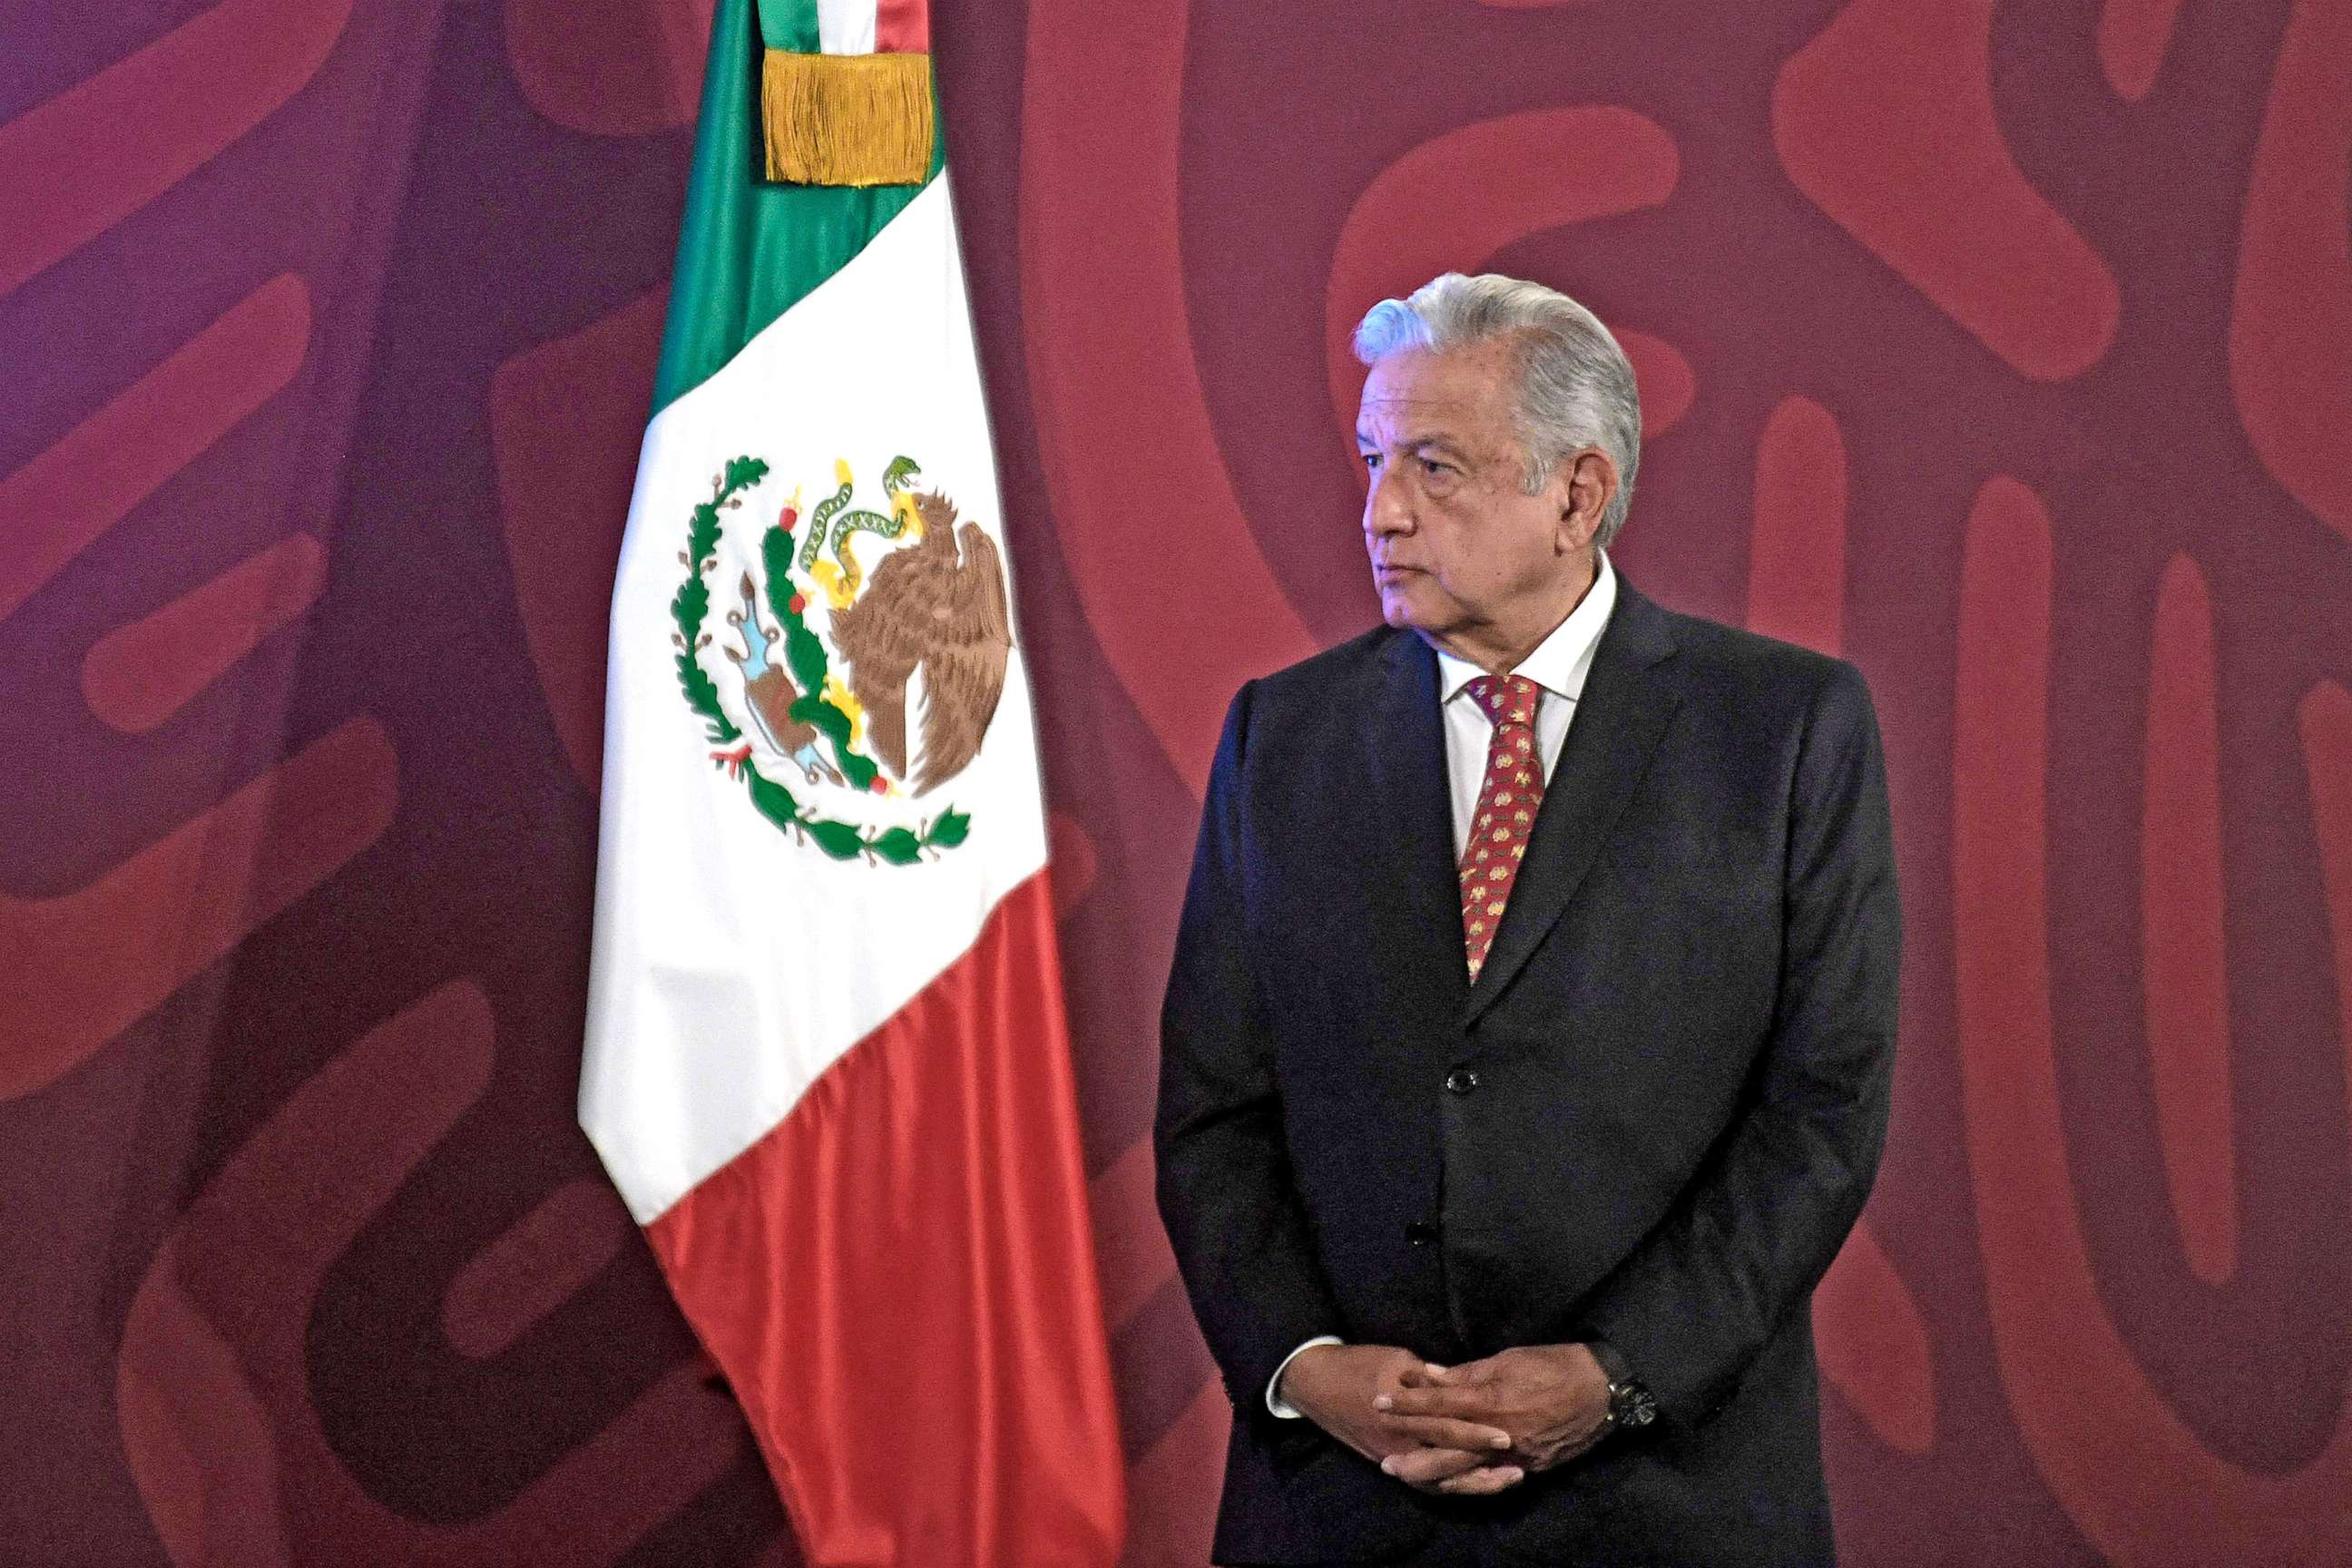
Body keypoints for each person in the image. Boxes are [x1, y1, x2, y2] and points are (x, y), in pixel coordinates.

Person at [1154, 272, 1901, 1566]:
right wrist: (1308, 1367)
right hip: (1338, 1503)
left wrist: (1614, 1376)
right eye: (1375, 457)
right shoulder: (1282, 737)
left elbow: (1821, 1117)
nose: (1382, 510)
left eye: (1436, 467)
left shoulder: (1782, 732)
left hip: (1670, 1498)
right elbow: (1215, 1110)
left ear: (1577, 494)